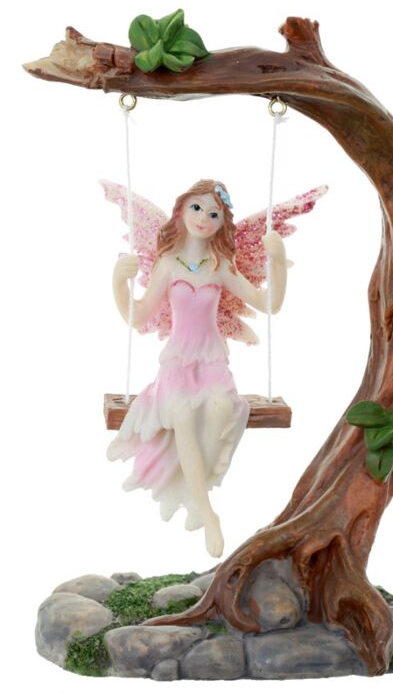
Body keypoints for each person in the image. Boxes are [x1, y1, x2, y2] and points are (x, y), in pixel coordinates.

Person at [108, 179, 288, 557]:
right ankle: (208, 514)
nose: (203, 218)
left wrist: (277, 262)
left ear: (222, 223)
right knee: (183, 414)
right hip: (177, 361)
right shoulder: (168, 264)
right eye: (196, 207)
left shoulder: (220, 267)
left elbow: (268, 303)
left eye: (213, 213)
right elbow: (138, 315)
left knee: (222, 408)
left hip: (211, 361)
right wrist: (118, 284)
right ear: (181, 210)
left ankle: (197, 492)